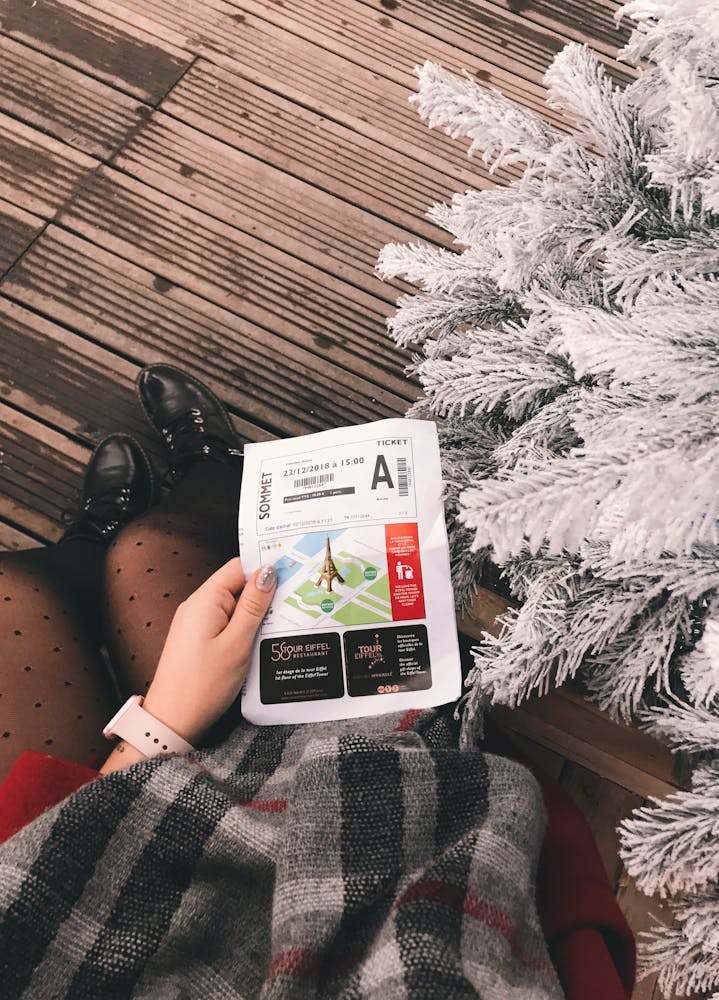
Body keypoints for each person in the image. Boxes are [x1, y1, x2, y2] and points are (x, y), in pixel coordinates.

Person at [0, 366, 635, 999]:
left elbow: (48, 895)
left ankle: (88, 548)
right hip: (356, 799)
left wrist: (161, 723)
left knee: (17, 598)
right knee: (149, 550)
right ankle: (211, 476)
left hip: (68, 872)